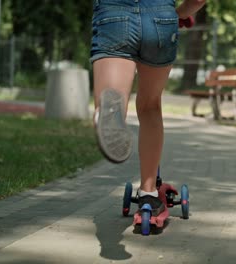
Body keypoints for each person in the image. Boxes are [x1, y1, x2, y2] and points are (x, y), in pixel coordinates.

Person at [90, 0, 206, 216]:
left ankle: (110, 112)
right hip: (160, 18)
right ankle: (149, 192)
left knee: (114, 97)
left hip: (114, 14)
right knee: (150, 106)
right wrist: (179, 13)